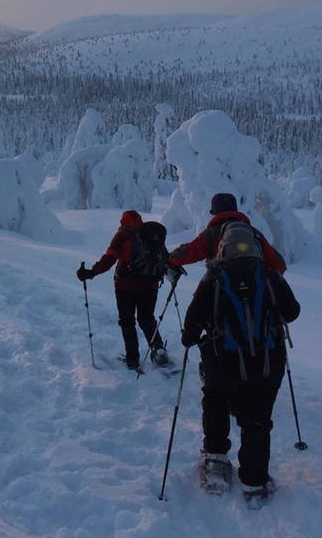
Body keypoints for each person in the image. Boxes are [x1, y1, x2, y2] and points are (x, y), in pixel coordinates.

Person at [181, 253, 300, 504]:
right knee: (257, 417)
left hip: (221, 360)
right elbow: (292, 312)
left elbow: (193, 319)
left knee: (215, 401)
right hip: (266, 361)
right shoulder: (268, 274)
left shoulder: (213, 277)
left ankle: (216, 461)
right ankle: (254, 481)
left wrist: (189, 338)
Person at [76, 210, 170, 370]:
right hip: (150, 285)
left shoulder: (122, 236)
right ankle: (158, 349)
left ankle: (132, 358)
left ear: (123, 222)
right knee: (146, 318)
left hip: (125, 286)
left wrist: (91, 273)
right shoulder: (151, 236)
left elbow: (110, 258)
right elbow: (165, 259)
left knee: (127, 320)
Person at [167, 192, 287, 275]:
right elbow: (280, 265)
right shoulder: (253, 232)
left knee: (194, 312)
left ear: (215, 212)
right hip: (254, 286)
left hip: (222, 286)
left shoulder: (211, 234)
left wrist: (170, 259)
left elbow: (189, 252)